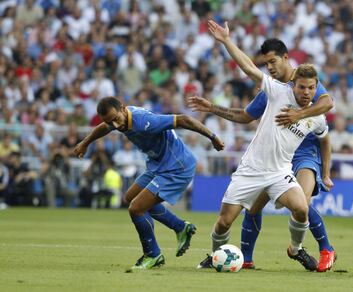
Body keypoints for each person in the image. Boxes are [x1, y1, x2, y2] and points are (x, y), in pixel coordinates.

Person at [190, 38, 336, 272]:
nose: (306, 92)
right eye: (301, 87)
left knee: (301, 207)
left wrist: (299, 117)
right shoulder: (277, 90)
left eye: (311, 88)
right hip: (251, 170)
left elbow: (327, 114)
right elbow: (248, 68)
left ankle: (297, 249)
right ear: (293, 85)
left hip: (280, 172)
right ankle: (216, 254)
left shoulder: (316, 116)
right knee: (224, 222)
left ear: (315, 86)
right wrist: (226, 40)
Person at [74, 96, 224, 271]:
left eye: (115, 119)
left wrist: (212, 137)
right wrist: (85, 143)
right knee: (129, 198)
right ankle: (180, 227)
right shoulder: (119, 119)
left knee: (136, 208)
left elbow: (184, 119)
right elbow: (104, 127)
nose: (115, 125)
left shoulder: (145, 121)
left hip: (176, 167)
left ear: (123, 108)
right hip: (157, 165)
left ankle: (153, 254)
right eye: (110, 122)